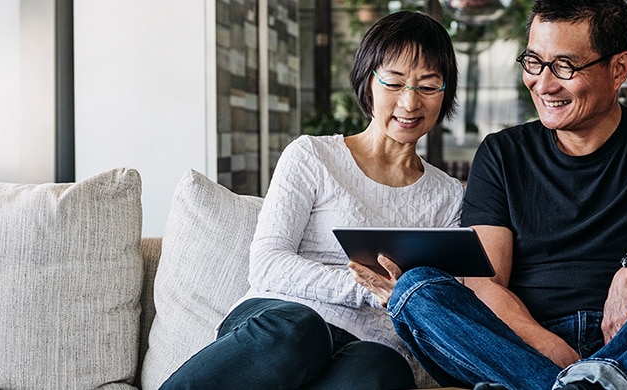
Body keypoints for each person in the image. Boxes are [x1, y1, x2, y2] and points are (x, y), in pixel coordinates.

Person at [350, 1, 627, 389]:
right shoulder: (503, 153)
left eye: (565, 67)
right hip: (525, 344)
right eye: (534, 62)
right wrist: (550, 349)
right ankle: (585, 384)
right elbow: (486, 281)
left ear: (619, 69)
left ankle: (596, 376)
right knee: (416, 289)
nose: (543, 84)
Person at [160, 10, 461, 389]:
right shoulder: (312, 156)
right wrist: (368, 290)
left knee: (382, 369)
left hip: (369, 345)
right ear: (369, 82)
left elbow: (441, 299)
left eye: (428, 86)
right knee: (302, 331)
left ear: (444, 93)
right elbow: (267, 264)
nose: (409, 102)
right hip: (279, 326)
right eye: (395, 82)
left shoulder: (449, 196)